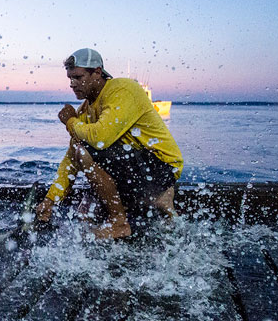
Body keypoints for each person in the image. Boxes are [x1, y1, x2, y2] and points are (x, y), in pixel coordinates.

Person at [36, 48, 184, 239]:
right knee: (84, 212)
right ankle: (153, 203)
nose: (72, 84)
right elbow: (71, 160)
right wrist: (50, 200)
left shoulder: (123, 89)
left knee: (84, 151)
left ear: (97, 72)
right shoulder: (85, 109)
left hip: (161, 166)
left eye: (78, 77)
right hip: (133, 168)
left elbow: (100, 138)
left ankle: (119, 222)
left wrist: (71, 122)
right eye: (70, 78)